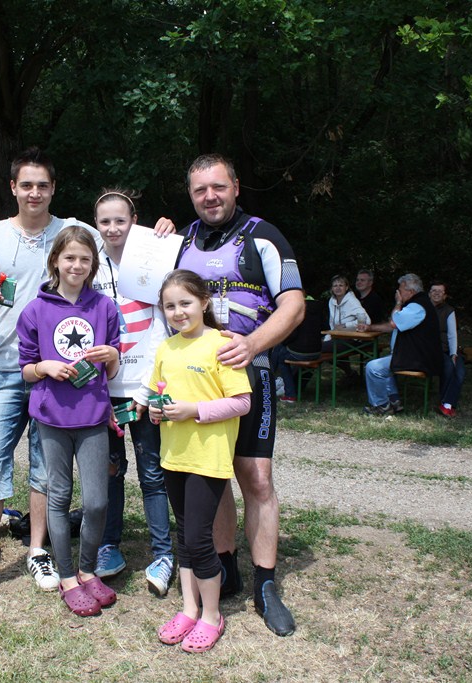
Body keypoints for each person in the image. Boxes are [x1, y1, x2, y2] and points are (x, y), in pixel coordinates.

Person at [0, 146, 101, 607]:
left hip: (58, 374)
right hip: (7, 367)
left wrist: (162, 230)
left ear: (54, 189)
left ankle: (37, 552)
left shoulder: (72, 231)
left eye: (43, 185)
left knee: (44, 469)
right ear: (13, 187)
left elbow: (120, 238)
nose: (35, 192)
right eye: (27, 185)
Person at [159, 153, 304, 637]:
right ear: (190, 195)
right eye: (200, 190)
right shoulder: (179, 241)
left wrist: (253, 344)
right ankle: (224, 567)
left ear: (236, 187)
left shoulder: (264, 236)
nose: (210, 197)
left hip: (249, 373)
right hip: (194, 379)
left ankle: (266, 584)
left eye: (218, 187)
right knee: (209, 474)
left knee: (256, 478)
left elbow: (294, 305)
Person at [15, 225, 120, 617]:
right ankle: (66, 577)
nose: (77, 265)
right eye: (70, 257)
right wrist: (44, 367)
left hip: (93, 417)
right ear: (55, 261)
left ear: (93, 265)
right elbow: (26, 369)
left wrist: (112, 356)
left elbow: (112, 369)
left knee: (97, 501)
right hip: (52, 419)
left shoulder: (104, 307)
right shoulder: (35, 310)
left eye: (85, 259)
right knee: (58, 497)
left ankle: (87, 570)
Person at [150, 270, 252, 653]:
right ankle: (189, 609)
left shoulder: (222, 344)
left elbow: (241, 403)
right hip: (173, 455)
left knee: (198, 537)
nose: (178, 312)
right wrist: (156, 411)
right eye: (169, 306)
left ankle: (212, 615)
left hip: (208, 457)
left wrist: (194, 410)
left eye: (185, 303)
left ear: (204, 302)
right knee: (184, 535)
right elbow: (159, 394)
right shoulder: (166, 347)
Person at [90, 189, 175, 595]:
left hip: (147, 387)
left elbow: (161, 325)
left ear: (134, 221)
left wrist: (144, 390)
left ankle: (163, 553)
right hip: (101, 391)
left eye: (120, 220)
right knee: (110, 471)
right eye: (104, 221)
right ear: (95, 225)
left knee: (152, 472)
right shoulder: (88, 264)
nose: (112, 228)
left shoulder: (152, 258)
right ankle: (109, 547)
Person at [357, 273, 442, 416]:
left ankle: (381, 405)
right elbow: (393, 326)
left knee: (373, 368)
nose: (398, 293)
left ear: (411, 291)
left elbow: (394, 322)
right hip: (416, 355)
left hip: (419, 358)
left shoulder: (416, 307)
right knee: (388, 363)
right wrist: (369, 327)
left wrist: (398, 303)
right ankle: (394, 400)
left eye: (400, 290)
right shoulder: (418, 304)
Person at [271, 295, 325, 402]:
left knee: (281, 357)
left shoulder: (295, 309)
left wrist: (284, 341)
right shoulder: (318, 308)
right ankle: (275, 381)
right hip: (317, 352)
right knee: (280, 349)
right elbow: (325, 328)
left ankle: (288, 393)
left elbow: (292, 335)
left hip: (300, 352)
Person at [428, 281, 465, 417]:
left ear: (445, 295)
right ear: (429, 294)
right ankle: (445, 402)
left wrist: (453, 353)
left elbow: (452, 334)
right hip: (432, 349)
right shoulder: (422, 309)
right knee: (448, 367)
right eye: (434, 290)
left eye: (440, 291)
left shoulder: (449, 310)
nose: (437, 293)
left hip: (448, 348)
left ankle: (447, 404)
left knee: (460, 371)